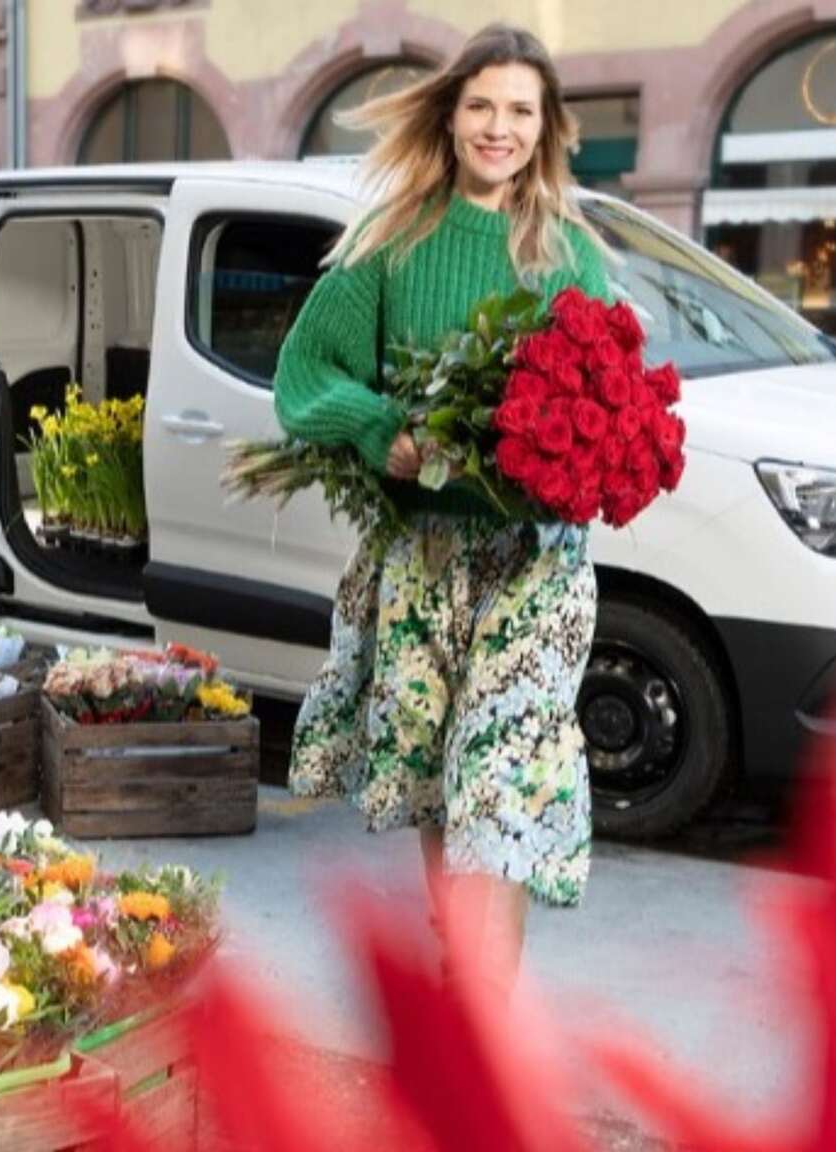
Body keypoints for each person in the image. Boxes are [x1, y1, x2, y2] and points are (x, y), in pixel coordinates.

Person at [272, 22, 613, 997]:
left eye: (517, 111)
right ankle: (460, 953)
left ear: (542, 129)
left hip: (536, 558)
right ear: (450, 114)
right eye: (480, 106)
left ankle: (482, 995)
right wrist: (383, 429)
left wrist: (580, 460)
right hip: (424, 550)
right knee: (432, 772)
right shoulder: (392, 241)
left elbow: (600, 401)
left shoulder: (568, 255)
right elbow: (304, 373)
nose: (496, 128)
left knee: (498, 776)